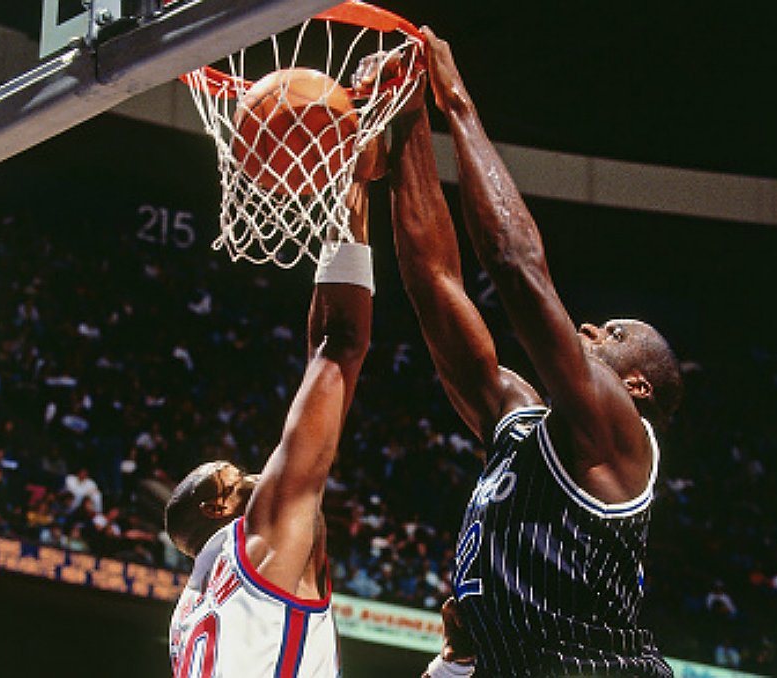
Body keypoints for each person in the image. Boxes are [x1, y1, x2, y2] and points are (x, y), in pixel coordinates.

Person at [390, 27, 682, 677]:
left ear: (636, 386)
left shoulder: (621, 434)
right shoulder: (519, 421)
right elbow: (435, 284)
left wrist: (456, 102)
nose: (590, 327)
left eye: (614, 334)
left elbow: (515, 266)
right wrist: (404, 119)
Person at [165, 163, 378, 675]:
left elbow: (331, 353)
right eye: (239, 478)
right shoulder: (256, 547)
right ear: (218, 507)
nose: (261, 476)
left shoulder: (189, 616)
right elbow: (337, 346)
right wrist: (351, 183)